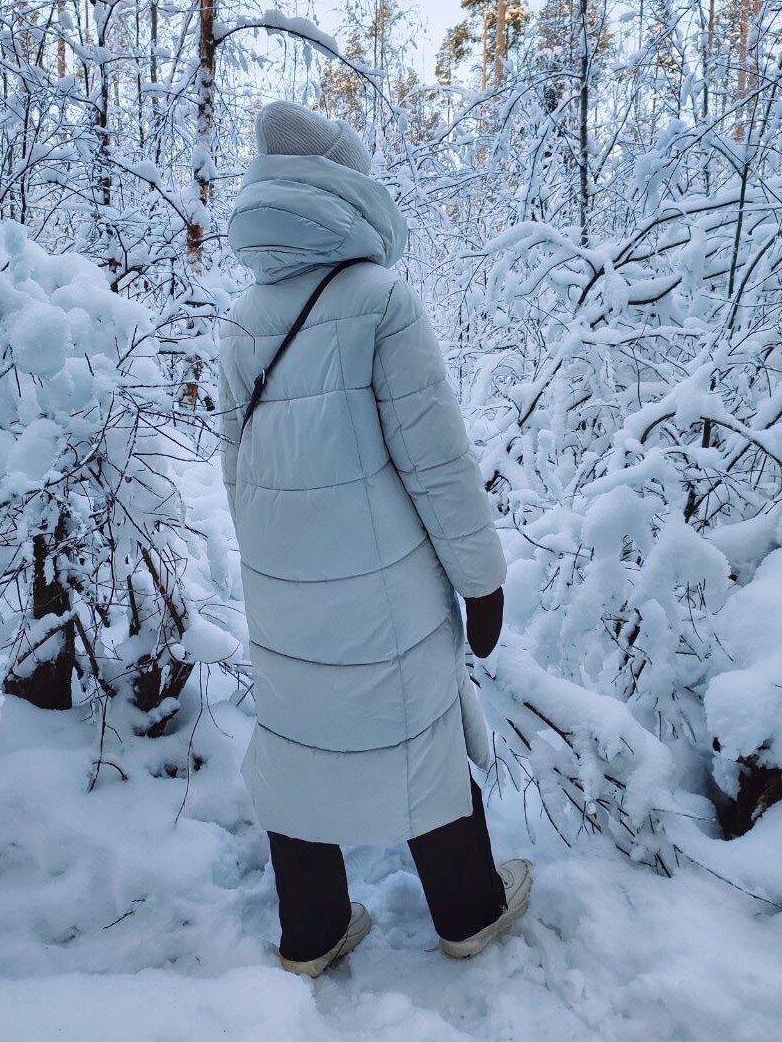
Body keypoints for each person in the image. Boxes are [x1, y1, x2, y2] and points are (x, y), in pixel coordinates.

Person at [217, 100, 533, 977]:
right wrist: (482, 578)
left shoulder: (246, 314)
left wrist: (278, 562)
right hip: (381, 579)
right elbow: (436, 462)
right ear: (346, 190)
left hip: (281, 576)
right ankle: (468, 908)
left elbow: (233, 468)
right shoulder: (381, 301)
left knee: (297, 734)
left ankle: (311, 931)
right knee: (420, 721)